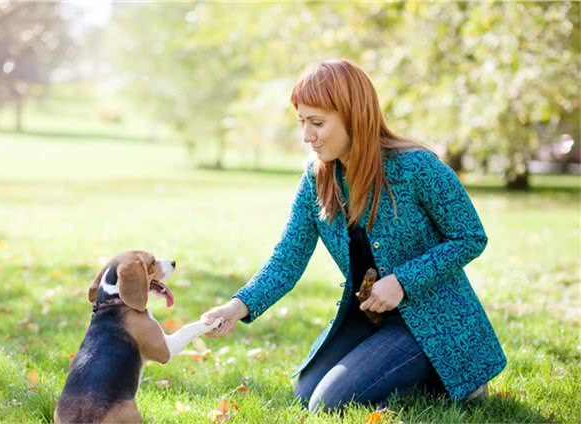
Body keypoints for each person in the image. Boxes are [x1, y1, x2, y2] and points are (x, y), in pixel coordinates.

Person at [201, 59, 506, 413]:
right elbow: (287, 258)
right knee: (306, 392)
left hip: (433, 323)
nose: (306, 135)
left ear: (354, 115)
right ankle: (419, 379)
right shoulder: (316, 179)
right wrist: (236, 308)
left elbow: (470, 236)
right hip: (372, 320)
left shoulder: (417, 168)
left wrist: (403, 281)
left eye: (317, 122)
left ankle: (449, 371)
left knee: (328, 404)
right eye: (302, 121)